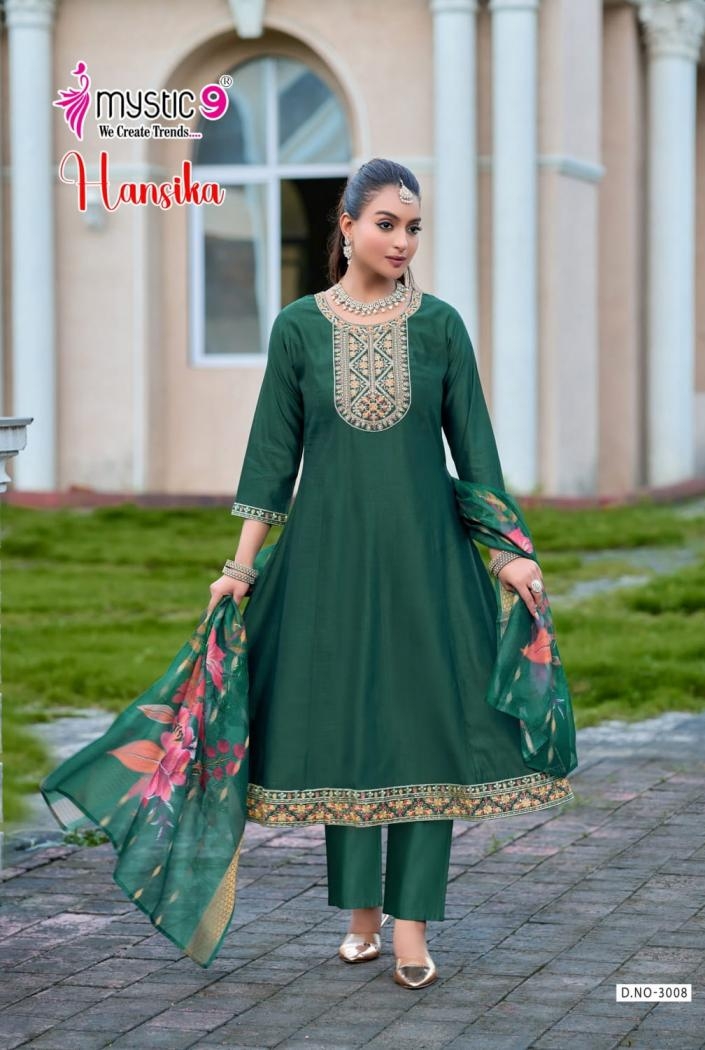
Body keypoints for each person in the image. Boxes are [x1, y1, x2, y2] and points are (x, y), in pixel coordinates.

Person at [207, 157, 575, 989]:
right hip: (327, 562)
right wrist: (240, 568)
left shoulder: (439, 326)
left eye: (413, 227)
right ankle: (360, 914)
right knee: (345, 723)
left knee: (424, 727)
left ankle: (411, 924)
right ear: (345, 226)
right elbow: (271, 456)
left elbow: (474, 451)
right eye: (385, 223)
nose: (402, 240)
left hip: (425, 560)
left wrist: (506, 550)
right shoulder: (298, 328)